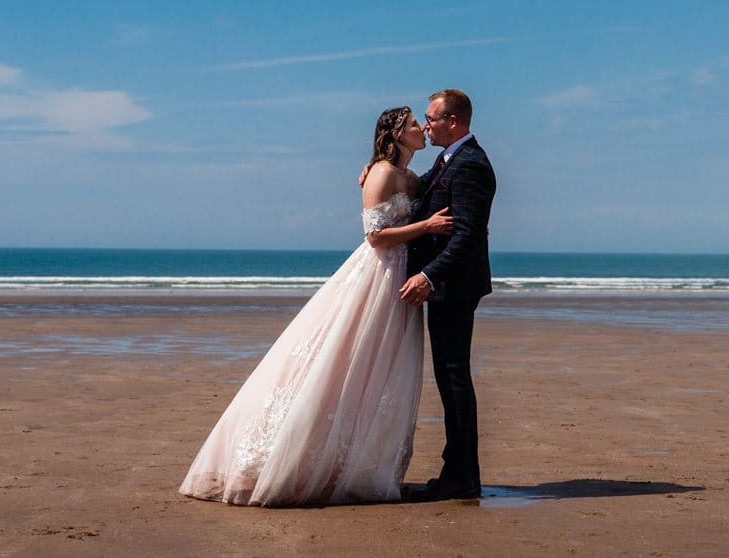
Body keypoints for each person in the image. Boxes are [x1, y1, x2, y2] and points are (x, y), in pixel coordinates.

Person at [178, 106, 454, 506]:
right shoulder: (380, 173)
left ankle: (355, 459)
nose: (422, 129)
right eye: (415, 124)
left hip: (399, 278)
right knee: (342, 357)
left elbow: (426, 191)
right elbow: (375, 236)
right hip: (377, 274)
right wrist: (425, 227)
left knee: (379, 368)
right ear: (395, 134)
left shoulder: (411, 177)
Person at [398, 88, 496, 501]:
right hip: (445, 288)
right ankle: (460, 473)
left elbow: (468, 236)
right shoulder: (446, 160)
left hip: (453, 288)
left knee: (454, 378)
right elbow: (419, 198)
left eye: (431, 119)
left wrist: (429, 277)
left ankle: (460, 477)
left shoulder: (470, 164)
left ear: (452, 121)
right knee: (449, 377)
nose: (425, 125)